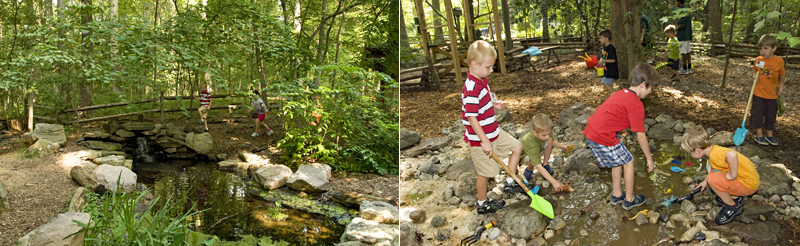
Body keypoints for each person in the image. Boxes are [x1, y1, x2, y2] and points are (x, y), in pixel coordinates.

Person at [583, 63, 659, 211]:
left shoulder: (620, 93)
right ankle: (629, 199)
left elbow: (609, 114)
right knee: (629, 161)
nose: (651, 92)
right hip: (602, 136)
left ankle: (617, 195)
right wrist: (649, 158)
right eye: (651, 88)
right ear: (644, 84)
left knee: (617, 161)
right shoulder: (636, 104)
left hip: (591, 132)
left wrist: (617, 131)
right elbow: (641, 137)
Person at [461, 40, 525, 214]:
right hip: (481, 139)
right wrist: (485, 141)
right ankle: (482, 204)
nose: (491, 70)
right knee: (486, 173)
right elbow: (471, 117)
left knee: (517, 147)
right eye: (488, 67)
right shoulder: (471, 88)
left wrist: (493, 104)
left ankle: (510, 182)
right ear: (474, 65)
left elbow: (484, 101)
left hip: (494, 132)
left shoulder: (481, 80)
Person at [681, 126, 759, 224]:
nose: (690, 155)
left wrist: (732, 175)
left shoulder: (716, 155)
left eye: (690, 152)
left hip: (748, 185)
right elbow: (717, 169)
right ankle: (735, 198)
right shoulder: (715, 150)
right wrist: (705, 182)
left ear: (698, 150)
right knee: (711, 177)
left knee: (712, 179)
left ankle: (732, 205)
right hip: (750, 180)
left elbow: (732, 155)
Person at [520, 114, 569, 192]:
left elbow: (552, 141)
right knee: (533, 160)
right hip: (525, 155)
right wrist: (553, 181)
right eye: (544, 135)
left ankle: (545, 163)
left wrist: (562, 146)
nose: (547, 136)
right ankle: (529, 169)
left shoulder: (545, 135)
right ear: (535, 133)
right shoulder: (531, 143)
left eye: (549, 133)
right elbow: (538, 166)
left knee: (549, 141)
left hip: (538, 149)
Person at [751, 34, 785, 146]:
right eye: (760, 48)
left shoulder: (779, 62)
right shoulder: (758, 60)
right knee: (758, 114)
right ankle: (759, 135)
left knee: (771, 115)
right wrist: (755, 76)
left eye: (766, 48)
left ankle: (769, 135)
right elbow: (755, 70)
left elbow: (782, 75)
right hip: (759, 93)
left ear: (774, 48)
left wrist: (781, 85)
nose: (762, 51)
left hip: (772, 95)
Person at [597, 29, 619, 95]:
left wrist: (603, 60)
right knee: (610, 83)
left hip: (611, 69)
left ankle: (613, 95)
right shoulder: (604, 48)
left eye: (601, 38)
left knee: (604, 82)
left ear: (607, 38)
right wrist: (601, 61)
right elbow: (603, 57)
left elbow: (613, 60)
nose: (599, 39)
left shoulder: (611, 48)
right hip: (606, 69)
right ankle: (612, 96)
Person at [676, 0, 693, 74]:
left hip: (683, 36)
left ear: (679, 2)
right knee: (688, 51)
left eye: (677, 2)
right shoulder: (687, 10)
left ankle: (684, 68)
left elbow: (682, 24)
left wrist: (674, 30)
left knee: (683, 52)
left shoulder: (682, 11)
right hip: (687, 35)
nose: (676, 3)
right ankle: (689, 67)